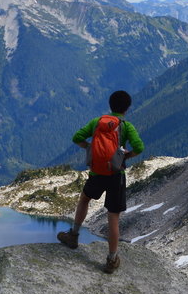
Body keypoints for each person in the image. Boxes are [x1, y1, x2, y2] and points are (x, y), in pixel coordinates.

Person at [57, 90, 144, 274]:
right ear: (127, 109)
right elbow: (139, 147)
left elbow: (77, 138)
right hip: (116, 174)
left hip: (97, 173)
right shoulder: (126, 126)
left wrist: (89, 147)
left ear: (110, 105)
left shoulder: (97, 122)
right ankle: (111, 260)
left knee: (84, 199)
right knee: (113, 216)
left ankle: (73, 236)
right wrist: (126, 155)